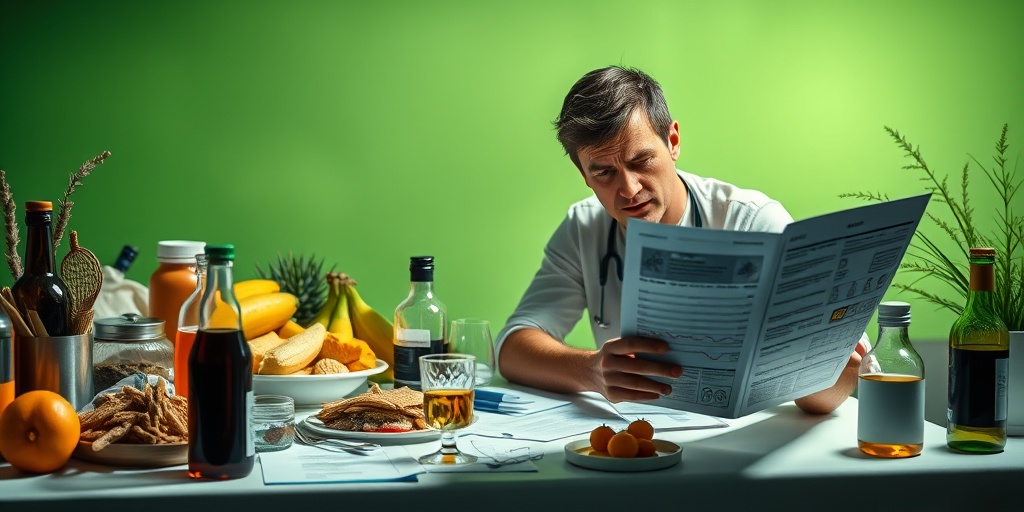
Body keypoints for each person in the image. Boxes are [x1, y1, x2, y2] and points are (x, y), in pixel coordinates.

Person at [494, 66, 867, 415]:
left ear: (672, 141)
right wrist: (590, 371)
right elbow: (512, 348)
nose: (629, 189)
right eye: (604, 172)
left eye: (641, 160)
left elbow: (833, 392)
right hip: (639, 442)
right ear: (584, 176)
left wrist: (824, 369)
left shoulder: (752, 220)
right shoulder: (584, 227)